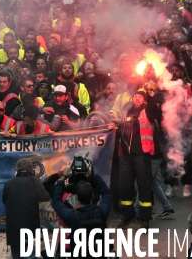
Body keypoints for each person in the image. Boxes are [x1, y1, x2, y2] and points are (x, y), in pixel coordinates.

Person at [116, 90, 161, 229]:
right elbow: (122, 130)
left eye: (140, 97)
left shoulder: (148, 112)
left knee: (144, 185)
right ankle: (128, 214)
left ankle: (145, 217)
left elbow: (153, 106)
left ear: (144, 101)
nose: (136, 99)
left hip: (142, 154)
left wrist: (151, 95)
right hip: (126, 155)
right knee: (125, 186)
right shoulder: (127, 113)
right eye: (135, 97)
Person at [50, 161, 113, 257]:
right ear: (92, 195)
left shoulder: (71, 216)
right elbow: (107, 194)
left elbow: (56, 201)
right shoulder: (101, 212)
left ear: (77, 198)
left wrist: (62, 177)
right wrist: (92, 174)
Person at [2, 158, 51, 259]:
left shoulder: (9, 183)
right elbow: (46, 197)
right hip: (30, 228)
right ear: (31, 169)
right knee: (31, 255)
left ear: (17, 170)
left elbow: (4, 201)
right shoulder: (35, 181)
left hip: (13, 229)